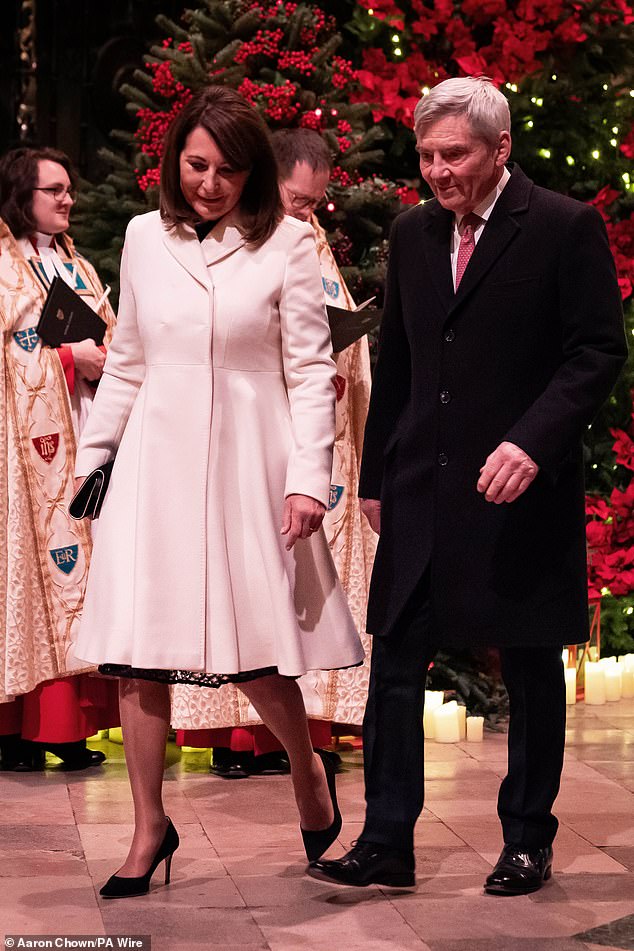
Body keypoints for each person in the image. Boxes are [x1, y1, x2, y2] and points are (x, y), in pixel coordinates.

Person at [309, 76, 627, 894]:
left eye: (455, 154)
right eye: (427, 155)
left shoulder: (563, 226)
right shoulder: (414, 232)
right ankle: (386, 838)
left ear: (500, 149)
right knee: (395, 660)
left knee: (527, 661)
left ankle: (527, 838)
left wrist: (533, 440)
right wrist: (379, 471)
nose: (438, 170)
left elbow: (595, 353)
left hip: (519, 488)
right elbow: (401, 363)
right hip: (420, 484)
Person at [72, 85, 364, 899]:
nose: (209, 182)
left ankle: (306, 770)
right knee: (137, 652)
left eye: (228, 170)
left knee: (256, 649)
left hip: (248, 460)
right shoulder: (139, 237)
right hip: (155, 464)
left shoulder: (288, 245)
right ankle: (147, 828)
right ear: (175, 161)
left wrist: (309, 480)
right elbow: (127, 357)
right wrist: (96, 460)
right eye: (197, 164)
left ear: (252, 175)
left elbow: (311, 370)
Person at [171, 128, 376, 776]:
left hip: (302, 446)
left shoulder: (306, 243)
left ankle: (298, 743)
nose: (308, 214)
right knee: (242, 587)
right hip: (242, 440)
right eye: (299, 200)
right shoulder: (225, 240)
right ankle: (241, 738)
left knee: (291, 592)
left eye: (317, 203)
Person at [0, 146, 119, 772]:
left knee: (84, 573)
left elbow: (108, 330)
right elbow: (10, 361)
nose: (67, 199)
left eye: (70, 188)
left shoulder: (76, 265)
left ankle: (67, 729)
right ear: (22, 197)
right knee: (33, 574)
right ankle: (22, 730)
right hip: (26, 454)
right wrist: (73, 361)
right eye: (55, 190)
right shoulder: (4, 269)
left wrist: (107, 355)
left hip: (82, 429)